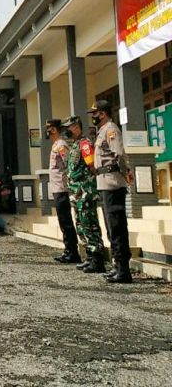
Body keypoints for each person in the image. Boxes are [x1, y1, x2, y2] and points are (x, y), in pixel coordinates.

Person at [89, 100, 134, 284]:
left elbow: (120, 154)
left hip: (113, 183)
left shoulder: (110, 129)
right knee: (110, 227)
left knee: (116, 227)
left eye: (95, 113)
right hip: (104, 183)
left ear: (103, 113)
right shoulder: (102, 131)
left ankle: (123, 270)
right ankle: (118, 267)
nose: (93, 117)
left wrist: (127, 172)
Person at [61, 115, 106, 273]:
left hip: (85, 191)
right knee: (80, 224)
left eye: (68, 127)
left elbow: (92, 165)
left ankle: (97, 259)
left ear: (76, 127)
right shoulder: (75, 145)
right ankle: (89, 256)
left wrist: (89, 184)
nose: (66, 130)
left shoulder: (85, 144)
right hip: (76, 192)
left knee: (89, 223)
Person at [45, 119, 81, 264]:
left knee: (66, 221)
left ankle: (72, 252)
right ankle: (68, 250)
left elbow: (69, 164)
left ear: (53, 129)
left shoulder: (61, 145)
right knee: (62, 221)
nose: (46, 132)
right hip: (57, 188)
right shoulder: (55, 144)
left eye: (48, 129)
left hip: (62, 188)